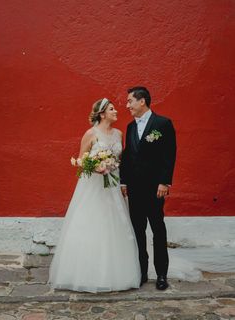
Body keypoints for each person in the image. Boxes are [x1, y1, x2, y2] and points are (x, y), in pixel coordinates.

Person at [48, 98, 141, 293]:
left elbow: (120, 160)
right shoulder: (90, 134)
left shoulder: (119, 134)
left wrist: (113, 167)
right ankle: (86, 273)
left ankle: (119, 274)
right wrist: (96, 166)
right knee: (92, 223)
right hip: (94, 187)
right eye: (112, 109)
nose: (116, 111)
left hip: (113, 185)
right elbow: (81, 160)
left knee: (115, 224)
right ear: (102, 114)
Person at [120, 86, 177, 290]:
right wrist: (124, 181)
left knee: (157, 230)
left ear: (141, 101)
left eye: (130, 101)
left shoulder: (162, 124)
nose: (127, 106)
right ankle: (142, 272)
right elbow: (127, 156)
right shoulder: (130, 127)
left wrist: (164, 182)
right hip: (134, 189)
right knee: (138, 231)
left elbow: (169, 155)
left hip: (155, 188)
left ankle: (161, 274)